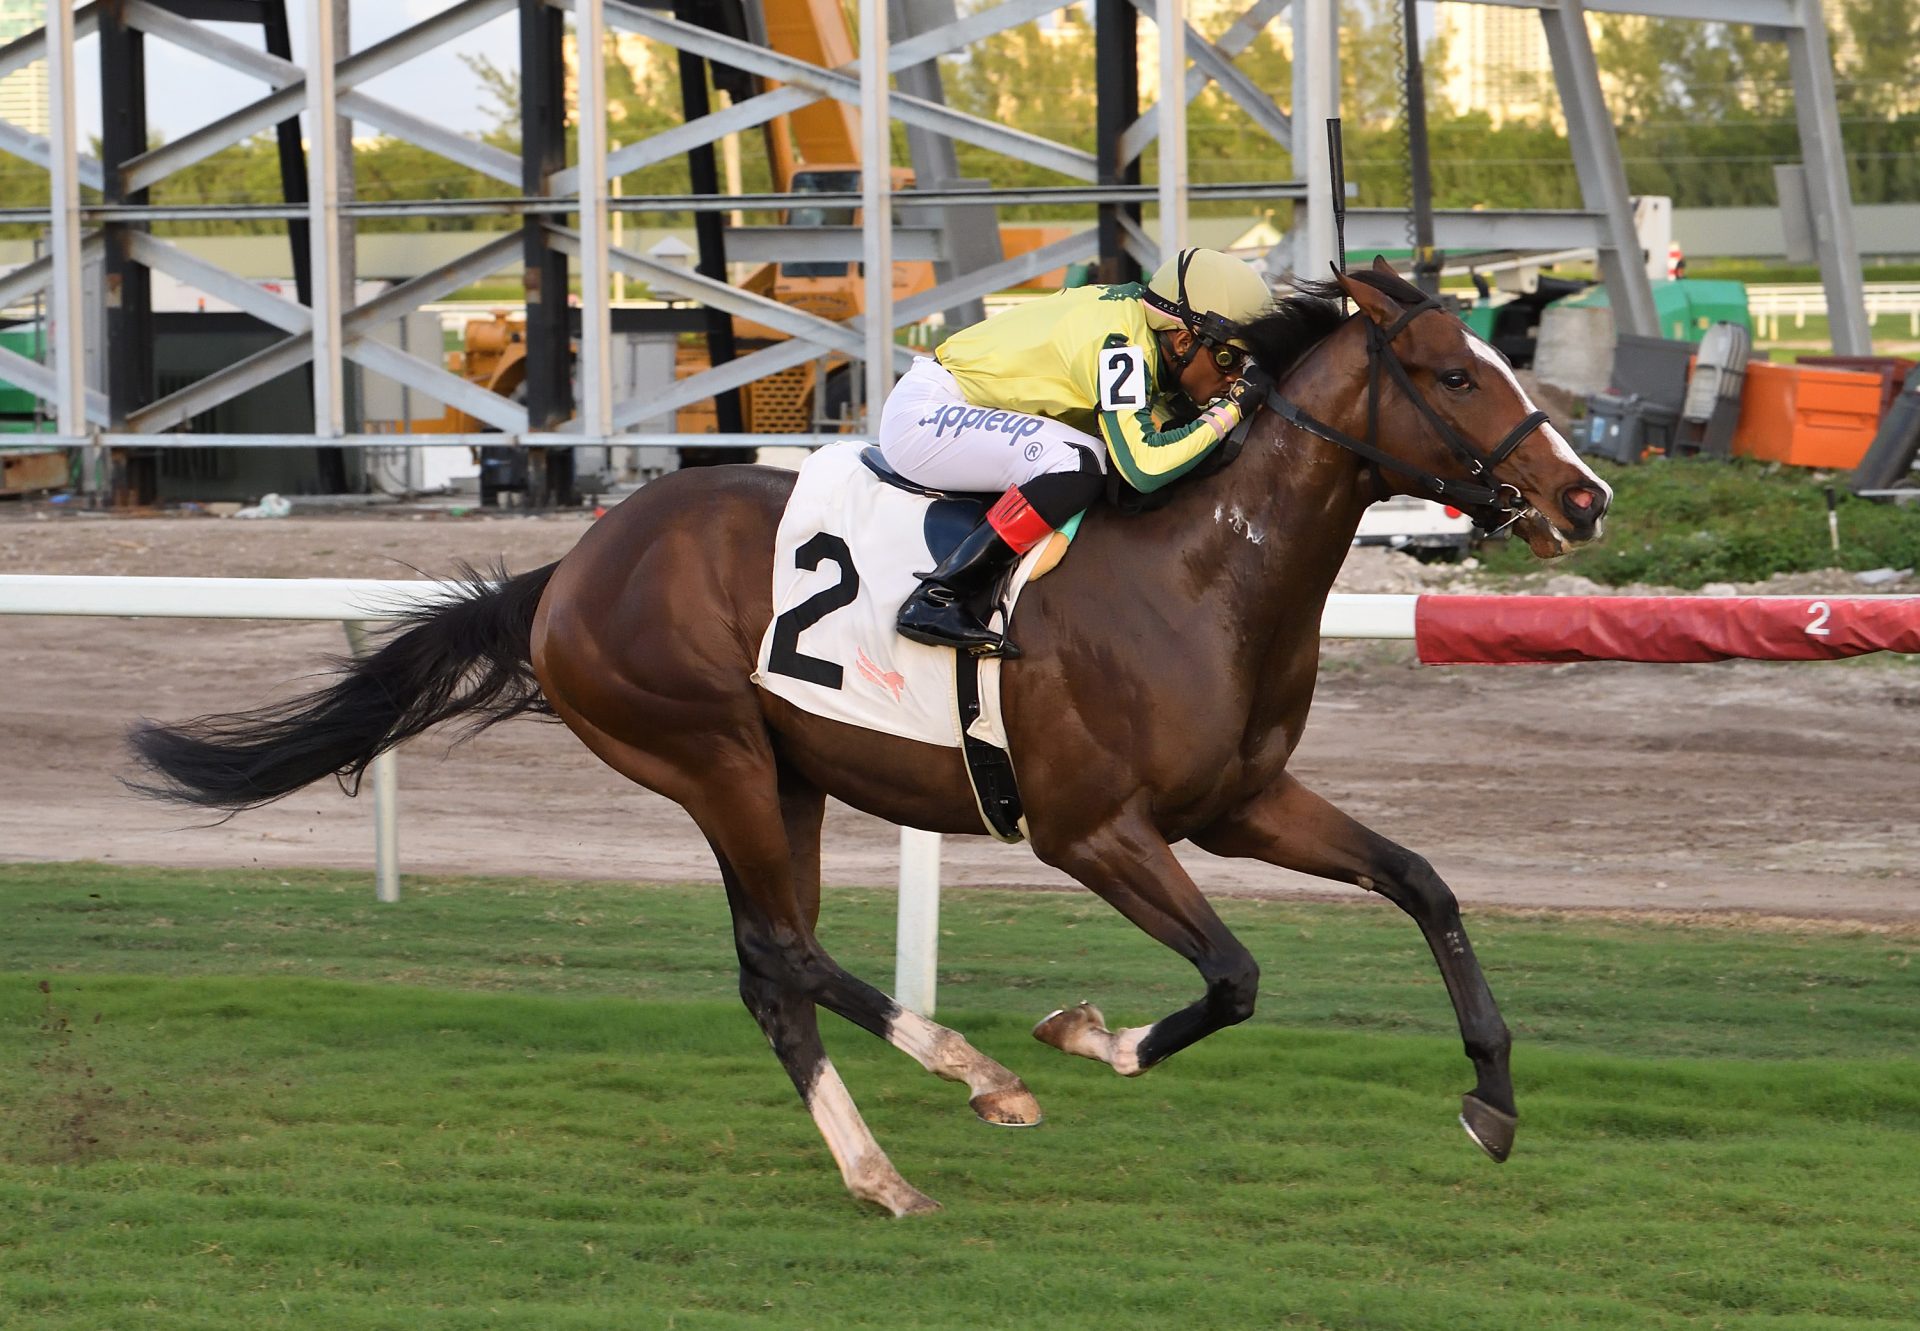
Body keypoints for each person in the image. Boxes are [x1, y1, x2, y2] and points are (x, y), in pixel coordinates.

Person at [877, 247, 1276, 658]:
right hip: (929, 415)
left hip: (964, 407)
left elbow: (1177, 436)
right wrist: (1234, 408)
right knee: (1081, 459)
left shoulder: (1144, 335)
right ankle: (939, 597)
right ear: (1183, 339)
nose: (1233, 378)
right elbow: (1144, 466)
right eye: (1230, 359)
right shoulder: (1121, 348)